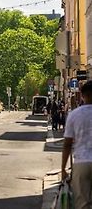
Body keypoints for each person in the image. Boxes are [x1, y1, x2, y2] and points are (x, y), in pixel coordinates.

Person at [62, 80, 92, 209]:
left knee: (83, 203)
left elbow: (67, 144)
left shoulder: (75, 115)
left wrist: (63, 168)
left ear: (83, 95)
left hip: (82, 162)